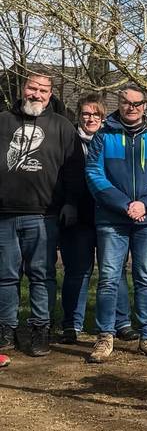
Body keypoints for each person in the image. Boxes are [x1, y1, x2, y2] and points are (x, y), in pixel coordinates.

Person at [85, 83, 147, 362]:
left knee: (145, 279)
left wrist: (145, 204)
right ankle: (105, 337)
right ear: (119, 102)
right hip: (112, 218)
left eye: (138, 103)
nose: (132, 108)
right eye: (126, 102)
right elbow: (93, 173)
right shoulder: (103, 135)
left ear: (146, 105)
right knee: (109, 279)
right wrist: (123, 204)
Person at [0, 71, 83, 357]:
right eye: (32, 88)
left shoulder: (62, 127)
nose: (36, 94)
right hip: (4, 214)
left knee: (42, 275)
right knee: (5, 276)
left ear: (50, 95)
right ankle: (6, 329)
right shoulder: (3, 122)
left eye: (43, 90)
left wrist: (71, 203)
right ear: (24, 89)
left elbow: (74, 170)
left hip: (44, 215)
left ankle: (40, 329)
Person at [57, 94, 133, 345]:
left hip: (111, 214)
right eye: (86, 114)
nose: (91, 119)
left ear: (103, 117)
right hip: (79, 214)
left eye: (96, 115)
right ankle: (72, 324)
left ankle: (121, 322)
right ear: (79, 116)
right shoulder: (69, 141)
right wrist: (68, 203)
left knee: (115, 271)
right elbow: (63, 175)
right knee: (78, 270)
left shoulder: (113, 140)